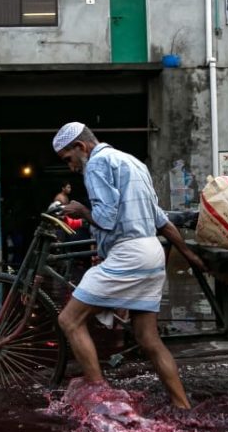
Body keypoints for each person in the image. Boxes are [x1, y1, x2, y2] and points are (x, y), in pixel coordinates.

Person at [52, 122, 207, 409]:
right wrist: (189, 254)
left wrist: (81, 210)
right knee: (149, 339)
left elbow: (106, 218)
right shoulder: (132, 163)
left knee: (69, 320)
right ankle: (182, 405)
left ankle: (102, 398)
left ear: (81, 147)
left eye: (69, 159)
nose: (71, 167)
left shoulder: (97, 164)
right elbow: (161, 220)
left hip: (128, 254)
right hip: (151, 252)